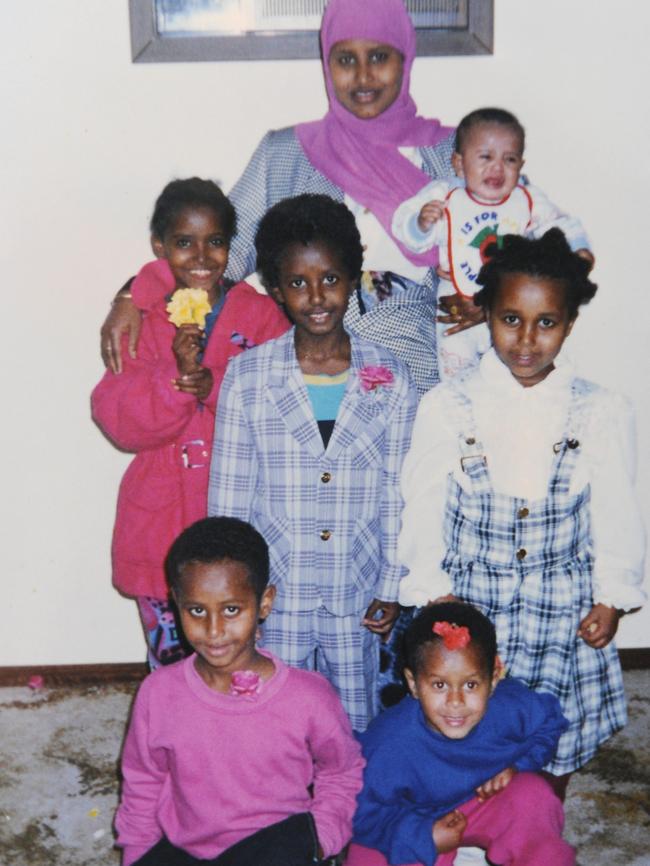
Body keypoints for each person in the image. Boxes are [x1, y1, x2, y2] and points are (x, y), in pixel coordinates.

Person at [398, 230, 646, 800]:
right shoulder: (448, 404)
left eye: (547, 323)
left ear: (570, 323)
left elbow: (616, 510)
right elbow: (425, 503)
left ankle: (541, 820)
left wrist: (612, 594)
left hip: (562, 608)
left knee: (551, 737)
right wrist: (431, 588)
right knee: (464, 733)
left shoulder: (600, 410)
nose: (527, 340)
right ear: (485, 314)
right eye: (511, 319)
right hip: (471, 603)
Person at [99, 0, 456, 395]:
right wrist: (134, 294)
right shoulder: (286, 153)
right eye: (345, 59)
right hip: (305, 376)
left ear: (404, 58)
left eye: (378, 56)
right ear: (327, 64)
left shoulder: (456, 154)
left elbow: (507, 251)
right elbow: (218, 256)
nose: (363, 75)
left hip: (420, 378)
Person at [207, 194, 418, 731]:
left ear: (354, 276)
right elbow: (229, 501)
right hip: (277, 594)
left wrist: (390, 584)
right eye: (298, 283)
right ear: (276, 289)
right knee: (273, 715)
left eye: (330, 278)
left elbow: (398, 490)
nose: (317, 296)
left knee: (354, 719)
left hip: (357, 588)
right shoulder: (249, 378)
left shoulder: (391, 375)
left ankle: (346, 809)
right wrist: (237, 597)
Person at [92, 179, 288, 668]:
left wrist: (215, 385)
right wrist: (173, 381)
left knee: (245, 654)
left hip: (240, 508)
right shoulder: (141, 317)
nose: (201, 255)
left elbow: (285, 402)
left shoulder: (261, 315)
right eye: (184, 243)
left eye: (215, 241)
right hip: (163, 515)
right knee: (174, 664)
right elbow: (117, 418)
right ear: (160, 246)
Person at [114, 516, 364, 866]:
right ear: (176, 603)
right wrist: (138, 855)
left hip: (277, 849)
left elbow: (341, 771)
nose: (214, 630)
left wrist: (321, 838)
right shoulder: (158, 693)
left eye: (231, 610)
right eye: (197, 610)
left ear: (264, 603)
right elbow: (143, 780)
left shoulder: (309, 697)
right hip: (187, 851)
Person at [347, 602, 575, 866]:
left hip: (481, 801)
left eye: (470, 684)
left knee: (533, 795)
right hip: (412, 815)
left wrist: (518, 765)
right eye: (439, 684)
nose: (456, 701)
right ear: (413, 684)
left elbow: (550, 721)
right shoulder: (387, 743)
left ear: (494, 679)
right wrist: (422, 836)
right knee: (364, 857)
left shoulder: (511, 707)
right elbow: (360, 814)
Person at [392, 107, 594, 379]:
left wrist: (578, 250)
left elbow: (559, 223)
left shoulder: (527, 199)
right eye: (485, 157)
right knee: (456, 371)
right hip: (456, 302)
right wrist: (421, 223)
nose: (497, 168)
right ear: (460, 164)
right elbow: (407, 232)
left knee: (511, 375)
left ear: (521, 165)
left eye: (509, 159)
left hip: (513, 306)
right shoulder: (446, 194)